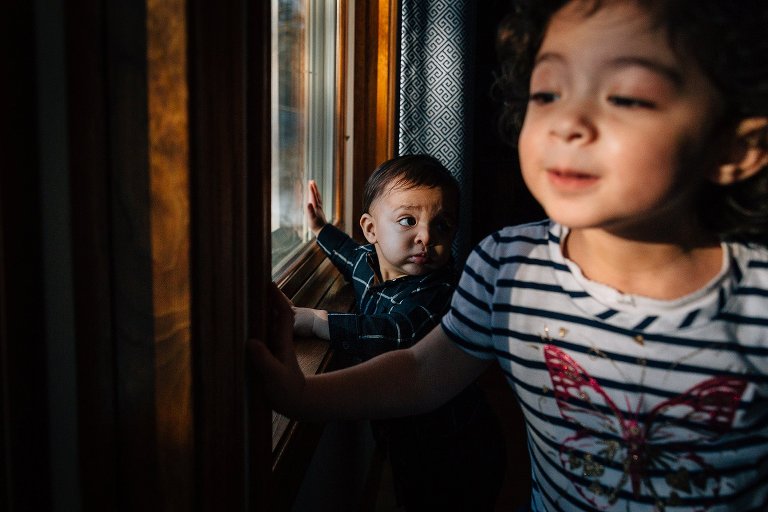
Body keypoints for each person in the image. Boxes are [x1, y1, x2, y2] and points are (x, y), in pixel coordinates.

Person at [253, 1, 768, 510]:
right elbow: (420, 371)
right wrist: (303, 397)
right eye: (548, 93)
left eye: (626, 97)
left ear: (734, 148)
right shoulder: (507, 266)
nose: (566, 122)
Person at [292, 154, 505, 510]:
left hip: (457, 448)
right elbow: (349, 255)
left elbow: (397, 333)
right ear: (371, 230)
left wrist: (319, 322)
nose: (426, 237)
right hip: (407, 436)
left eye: (442, 225)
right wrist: (320, 229)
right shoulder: (369, 261)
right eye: (408, 220)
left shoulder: (439, 291)